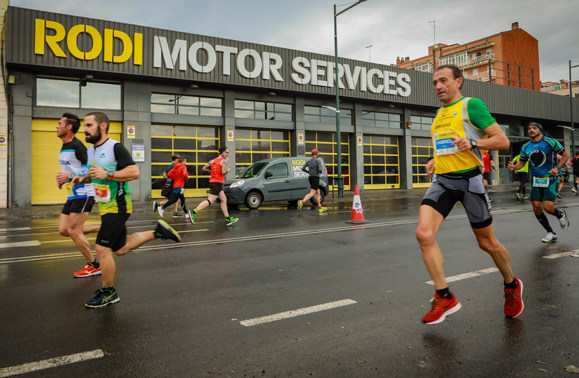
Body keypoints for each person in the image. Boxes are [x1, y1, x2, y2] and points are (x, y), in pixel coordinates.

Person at [415, 65, 523, 325]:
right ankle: (444, 296)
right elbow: (446, 143)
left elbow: (503, 141)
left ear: (458, 82)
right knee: (423, 234)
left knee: (487, 244)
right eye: (434, 82)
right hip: (442, 181)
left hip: (470, 182)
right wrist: (433, 158)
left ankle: (511, 285)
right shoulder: (439, 113)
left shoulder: (471, 106)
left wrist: (475, 142)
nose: (438, 86)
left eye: (443, 81)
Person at [74, 112, 181, 308]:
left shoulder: (115, 147)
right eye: (85, 125)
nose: (85, 129)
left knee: (101, 248)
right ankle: (158, 232)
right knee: (121, 249)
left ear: (103, 126)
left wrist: (108, 173)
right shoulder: (91, 151)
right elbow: (95, 175)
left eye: (89, 125)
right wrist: (81, 178)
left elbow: (134, 172)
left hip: (119, 206)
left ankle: (109, 292)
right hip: (105, 207)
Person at [55, 113, 101, 278]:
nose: (56, 126)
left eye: (59, 124)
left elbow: (91, 171)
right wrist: (63, 180)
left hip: (85, 193)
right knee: (63, 230)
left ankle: (93, 265)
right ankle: (103, 229)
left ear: (68, 128)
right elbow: (71, 170)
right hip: (73, 194)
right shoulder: (64, 145)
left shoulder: (78, 146)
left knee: (73, 231)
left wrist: (69, 177)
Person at [508, 122, 570, 243]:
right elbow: (522, 162)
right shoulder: (526, 146)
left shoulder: (550, 142)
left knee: (548, 207)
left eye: (534, 128)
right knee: (536, 208)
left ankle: (560, 215)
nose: (531, 130)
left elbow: (566, 155)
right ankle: (550, 233)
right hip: (535, 180)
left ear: (540, 130)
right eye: (529, 128)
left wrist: (557, 168)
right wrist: (514, 167)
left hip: (550, 179)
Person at [189, 146, 239, 226]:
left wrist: (211, 170)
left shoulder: (212, 161)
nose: (227, 154)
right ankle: (194, 211)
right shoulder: (224, 161)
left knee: (224, 199)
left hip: (213, 182)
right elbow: (223, 172)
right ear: (222, 152)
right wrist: (228, 170)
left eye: (228, 153)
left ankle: (228, 219)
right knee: (210, 201)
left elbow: (204, 168)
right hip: (217, 183)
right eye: (226, 152)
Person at [157, 155, 191, 221]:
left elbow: (169, 174)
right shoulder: (183, 167)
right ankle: (162, 208)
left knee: (182, 199)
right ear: (183, 162)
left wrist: (174, 178)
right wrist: (186, 178)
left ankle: (186, 213)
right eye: (185, 161)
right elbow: (185, 175)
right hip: (180, 186)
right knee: (174, 200)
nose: (186, 162)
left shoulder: (176, 166)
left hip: (175, 185)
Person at [297, 149, 327, 213]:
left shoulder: (309, 161)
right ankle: (301, 202)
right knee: (312, 193)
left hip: (310, 177)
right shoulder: (318, 161)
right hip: (315, 178)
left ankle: (320, 207)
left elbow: (303, 168)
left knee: (318, 192)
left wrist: (309, 172)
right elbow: (320, 170)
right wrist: (321, 171)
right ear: (316, 154)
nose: (318, 154)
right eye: (318, 153)